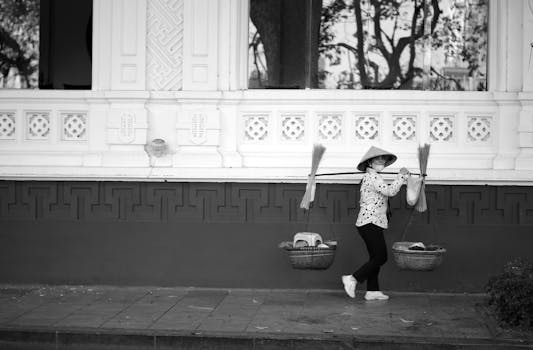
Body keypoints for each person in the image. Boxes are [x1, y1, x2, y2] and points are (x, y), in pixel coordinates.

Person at [342, 146, 409, 301]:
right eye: (378, 159)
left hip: (371, 223)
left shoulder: (372, 176)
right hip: (369, 222)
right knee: (381, 257)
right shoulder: (373, 177)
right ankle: (352, 279)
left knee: (375, 257)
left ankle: (373, 290)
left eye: (383, 160)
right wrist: (401, 177)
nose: (382, 162)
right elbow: (390, 191)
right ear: (370, 163)